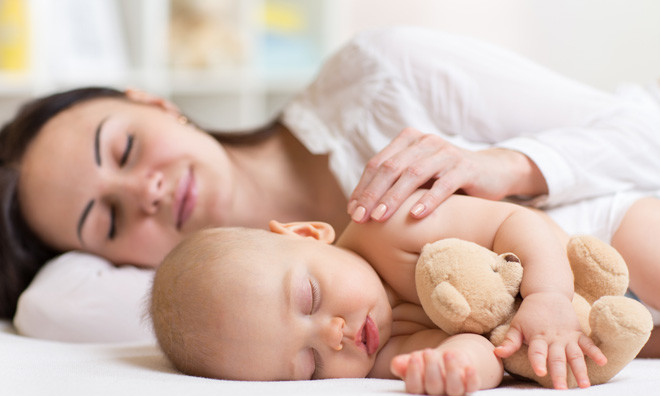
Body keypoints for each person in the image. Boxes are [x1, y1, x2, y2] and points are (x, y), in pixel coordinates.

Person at [2, 27, 660, 344]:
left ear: (151, 101)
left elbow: (647, 130)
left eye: (124, 147)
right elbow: (49, 308)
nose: (141, 192)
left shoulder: (387, 76)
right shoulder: (236, 319)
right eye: (107, 222)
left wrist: (511, 165)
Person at [150, 190, 611, 395]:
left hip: (588, 232)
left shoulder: (391, 227)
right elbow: (484, 349)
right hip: (597, 315)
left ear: (308, 234)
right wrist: (454, 368)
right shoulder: (378, 360)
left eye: (310, 299)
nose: (334, 338)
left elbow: (516, 222)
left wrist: (548, 295)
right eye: (311, 366)